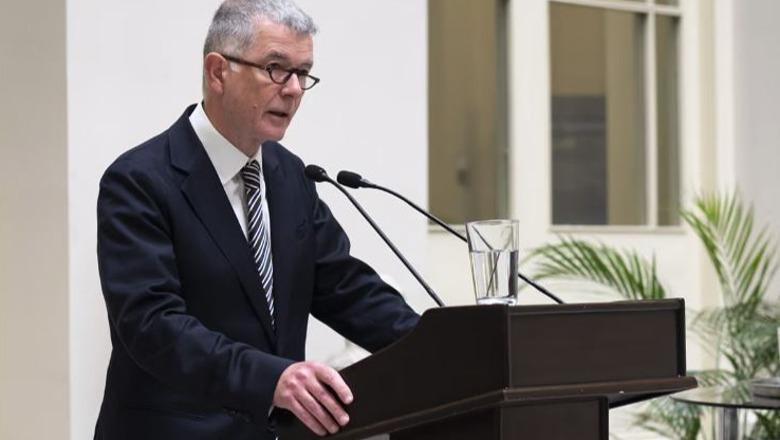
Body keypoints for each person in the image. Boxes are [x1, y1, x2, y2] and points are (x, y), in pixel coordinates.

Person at [93, 1, 420, 438]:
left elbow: (346, 289)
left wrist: (441, 346)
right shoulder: (140, 181)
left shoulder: (290, 176)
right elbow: (152, 325)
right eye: (276, 69)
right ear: (218, 72)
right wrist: (271, 379)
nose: (294, 89)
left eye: (303, 73)